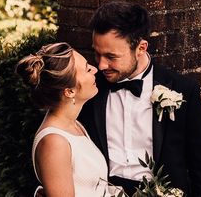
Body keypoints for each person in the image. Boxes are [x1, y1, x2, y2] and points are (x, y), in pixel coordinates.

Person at [78, 1, 201, 196]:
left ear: (141, 48)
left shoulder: (182, 89)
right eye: (97, 53)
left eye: (111, 56)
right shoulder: (90, 89)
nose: (101, 65)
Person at [17, 42, 124, 196]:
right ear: (69, 91)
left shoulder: (75, 125)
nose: (95, 70)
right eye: (87, 69)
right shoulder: (54, 142)